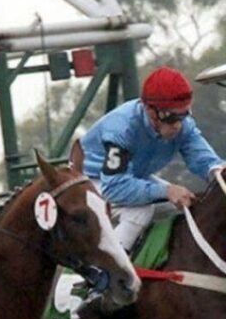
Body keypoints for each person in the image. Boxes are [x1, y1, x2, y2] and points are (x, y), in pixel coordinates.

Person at [79, 66, 225, 251]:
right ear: (149, 109)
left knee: (183, 206)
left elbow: (205, 160)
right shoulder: (121, 128)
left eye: (184, 115)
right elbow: (113, 187)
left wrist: (219, 172)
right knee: (140, 211)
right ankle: (103, 274)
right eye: (170, 117)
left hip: (129, 177)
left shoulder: (184, 126)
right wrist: (167, 191)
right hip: (90, 181)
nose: (178, 125)